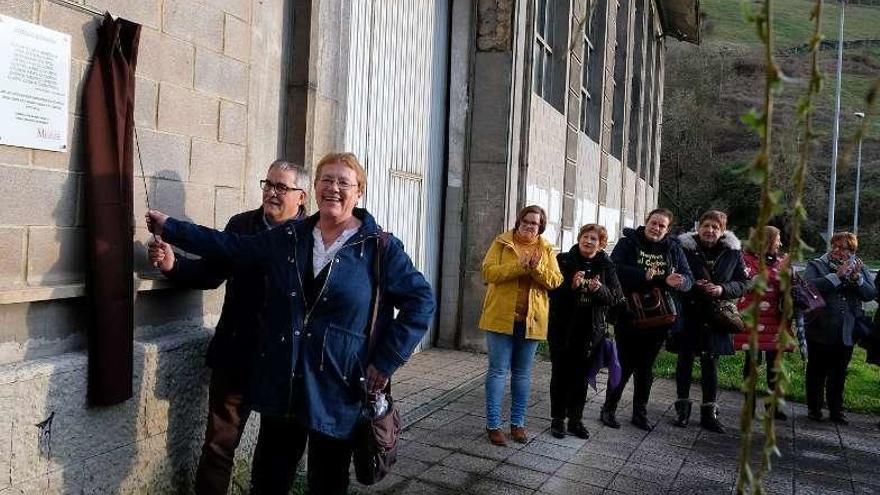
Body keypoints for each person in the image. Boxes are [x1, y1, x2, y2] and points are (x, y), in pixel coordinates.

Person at [146, 152, 435, 494]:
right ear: (314, 188)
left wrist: (386, 360)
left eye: (344, 182)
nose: (334, 188)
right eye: (326, 180)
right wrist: (170, 227)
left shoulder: (378, 247)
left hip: (337, 388)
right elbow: (231, 246)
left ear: (359, 193)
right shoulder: (292, 236)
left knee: (327, 482)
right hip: (283, 384)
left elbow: (421, 301)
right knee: (269, 481)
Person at [147, 160, 307, 494]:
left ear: (302, 197)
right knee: (219, 446)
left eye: (282, 187)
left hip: (284, 365)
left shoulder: (311, 238)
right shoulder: (242, 224)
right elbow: (210, 273)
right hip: (237, 354)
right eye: (268, 184)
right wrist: (172, 264)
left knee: (274, 456)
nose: (272, 193)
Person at [600, 208, 693, 430]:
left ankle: (639, 413)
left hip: (659, 318)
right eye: (654, 223)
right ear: (646, 222)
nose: (657, 228)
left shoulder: (673, 248)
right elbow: (613, 270)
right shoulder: (628, 243)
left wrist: (680, 282)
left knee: (646, 367)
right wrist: (644, 275)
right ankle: (609, 409)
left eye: (662, 225)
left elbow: (689, 279)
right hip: (629, 314)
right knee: (623, 362)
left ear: (668, 229)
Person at [479, 205, 563, 446]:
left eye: (534, 223)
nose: (529, 226)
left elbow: (555, 281)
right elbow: (488, 272)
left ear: (541, 227)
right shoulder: (502, 242)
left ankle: (518, 424)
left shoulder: (546, 249)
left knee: (523, 375)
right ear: (519, 221)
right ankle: (493, 425)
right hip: (500, 319)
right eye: (525, 221)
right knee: (497, 372)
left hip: (532, 322)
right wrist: (519, 266)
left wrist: (536, 268)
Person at [669, 210, 747, 433]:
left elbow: (743, 282)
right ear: (698, 226)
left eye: (715, 227)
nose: (710, 231)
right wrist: (692, 285)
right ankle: (682, 410)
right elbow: (675, 274)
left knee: (710, 364)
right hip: (689, 312)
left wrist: (722, 289)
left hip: (716, 316)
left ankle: (709, 414)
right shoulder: (683, 247)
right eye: (706, 226)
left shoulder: (732, 252)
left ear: (722, 231)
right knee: (684, 361)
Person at [548, 224, 622, 439]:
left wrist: (598, 289)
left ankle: (575, 420)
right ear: (579, 238)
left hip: (591, 330)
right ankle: (557, 419)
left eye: (594, 239)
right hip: (563, 327)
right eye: (586, 237)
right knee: (560, 374)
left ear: (600, 246)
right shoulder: (563, 260)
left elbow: (615, 298)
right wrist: (571, 287)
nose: (588, 241)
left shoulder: (607, 266)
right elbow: (551, 290)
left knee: (581, 377)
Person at [804, 232, 876, 424]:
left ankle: (836, 410)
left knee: (839, 372)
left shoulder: (860, 266)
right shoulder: (817, 264)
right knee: (817, 370)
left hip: (847, 329)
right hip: (820, 326)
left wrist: (857, 280)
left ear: (851, 251)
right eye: (834, 246)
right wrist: (836, 276)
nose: (837, 251)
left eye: (843, 248)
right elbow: (808, 286)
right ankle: (815, 408)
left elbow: (871, 294)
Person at [734, 226, 794, 421]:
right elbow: (749, 282)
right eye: (777, 240)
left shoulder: (778, 260)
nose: (780, 243)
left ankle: (773, 406)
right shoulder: (746, 259)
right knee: (752, 364)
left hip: (775, 319)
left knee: (774, 365)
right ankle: (748, 406)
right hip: (754, 319)